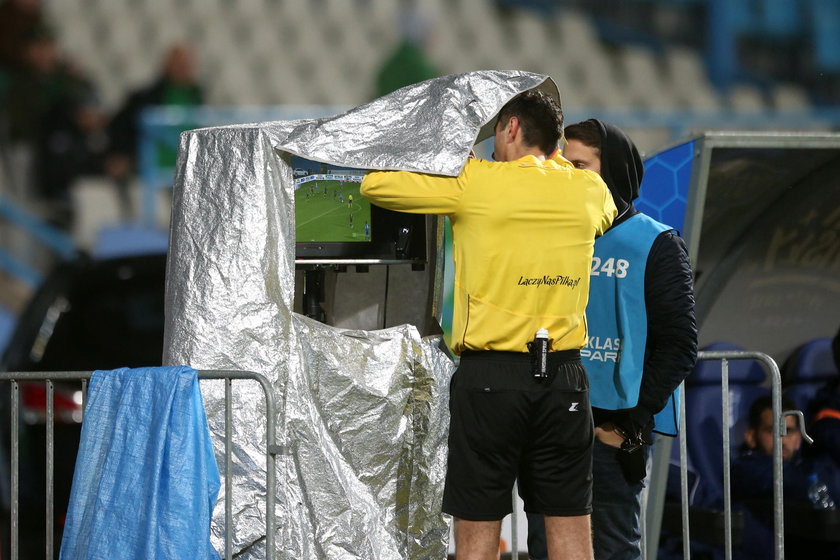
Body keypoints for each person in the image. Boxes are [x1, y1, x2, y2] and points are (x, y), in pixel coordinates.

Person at [361, 90, 617, 559]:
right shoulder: (588, 190)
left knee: (478, 533)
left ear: (512, 128)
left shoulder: (474, 181)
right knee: (571, 527)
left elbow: (375, 185)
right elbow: (605, 213)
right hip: (564, 377)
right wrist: (549, 162)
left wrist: (454, 150)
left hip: (491, 380)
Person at [526, 119, 697, 560]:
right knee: (545, 548)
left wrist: (626, 423)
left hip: (610, 430)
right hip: (549, 425)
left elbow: (679, 345)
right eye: (563, 164)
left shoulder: (655, 243)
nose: (567, 173)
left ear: (613, 170)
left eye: (579, 165)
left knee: (612, 548)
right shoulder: (553, 237)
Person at [732, 395, 840, 560]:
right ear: (751, 437)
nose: (782, 441)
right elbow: (797, 485)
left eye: (788, 431)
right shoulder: (748, 470)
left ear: (798, 438)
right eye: (772, 431)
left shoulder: (805, 464)